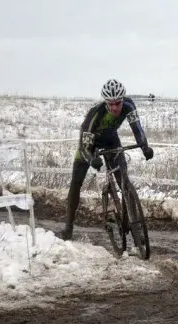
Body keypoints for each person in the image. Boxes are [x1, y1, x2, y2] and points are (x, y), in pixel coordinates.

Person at [59, 79, 154, 240]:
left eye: (118, 103)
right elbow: (84, 149)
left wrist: (145, 147)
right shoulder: (95, 115)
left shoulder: (129, 106)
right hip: (89, 146)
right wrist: (91, 160)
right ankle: (68, 228)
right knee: (76, 183)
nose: (116, 107)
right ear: (106, 102)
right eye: (112, 104)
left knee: (124, 182)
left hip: (111, 141)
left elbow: (137, 129)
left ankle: (135, 225)